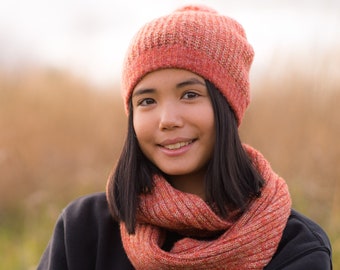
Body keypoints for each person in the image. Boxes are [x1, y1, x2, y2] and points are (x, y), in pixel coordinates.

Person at [37, 5, 332, 269]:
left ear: (228, 106)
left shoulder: (295, 246)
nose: (167, 120)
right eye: (147, 101)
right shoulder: (84, 229)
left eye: (190, 95)